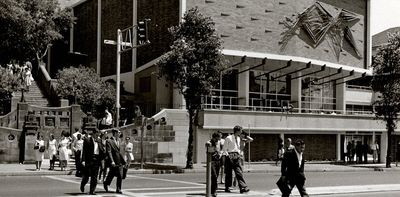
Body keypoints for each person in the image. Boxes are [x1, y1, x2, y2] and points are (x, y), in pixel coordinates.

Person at [222, 125, 250, 194]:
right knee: (228, 173)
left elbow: (237, 147)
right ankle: (227, 187)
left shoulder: (238, 138)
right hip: (229, 155)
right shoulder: (228, 138)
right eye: (241, 130)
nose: (241, 131)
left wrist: (239, 154)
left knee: (239, 172)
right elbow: (224, 148)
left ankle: (242, 187)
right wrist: (228, 156)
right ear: (237, 130)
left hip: (236, 155)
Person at [80, 129, 105, 195]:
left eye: (98, 135)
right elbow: (84, 151)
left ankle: (92, 190)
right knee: (87, 176)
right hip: (89, 159)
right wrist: (83, 160)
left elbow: (102, 151)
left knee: (94, 176)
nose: (97, 136)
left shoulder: (99, 140)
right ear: (93, 134)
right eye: (96, 135)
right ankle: (83, 184)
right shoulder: (87, 140)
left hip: (97, 159)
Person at [103, 129, 126, 194]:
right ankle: (106, 183)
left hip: (120, 161)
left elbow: (120, 151)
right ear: (115, 133)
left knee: (120, 175)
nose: (120, 133)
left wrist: (124, 160)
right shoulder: (109, 141)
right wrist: (112, 161)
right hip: (114, 161)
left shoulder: (119, 140)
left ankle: (118, 189)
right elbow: (109, 152)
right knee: (112, 173)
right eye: (119, 132)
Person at [206, 132, 222, 197]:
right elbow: (207, 144)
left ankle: (213, 189)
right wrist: (208, 144)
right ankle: (213, 191)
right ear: (215, 137)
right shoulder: (209, 142)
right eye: (218, 138)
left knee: (216, 175)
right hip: (211, 161)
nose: (219, 139)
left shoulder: (219, 142)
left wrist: (220, 153)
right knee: (214, 176)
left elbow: (220, 150)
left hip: (218, 160)